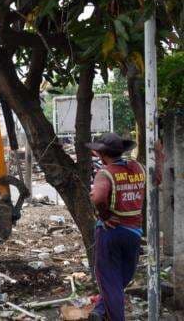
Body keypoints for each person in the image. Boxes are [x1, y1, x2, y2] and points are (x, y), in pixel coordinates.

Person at [86, 133, 145, 321]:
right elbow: (157, 179)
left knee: (110, 281)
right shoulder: (138, 168)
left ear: (102, 155)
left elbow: (98, 198)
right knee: (122, 278)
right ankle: (101, 310)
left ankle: (114, 316)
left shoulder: (106, 173)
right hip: (134, 232)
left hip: (110, 232)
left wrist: (105, 216)